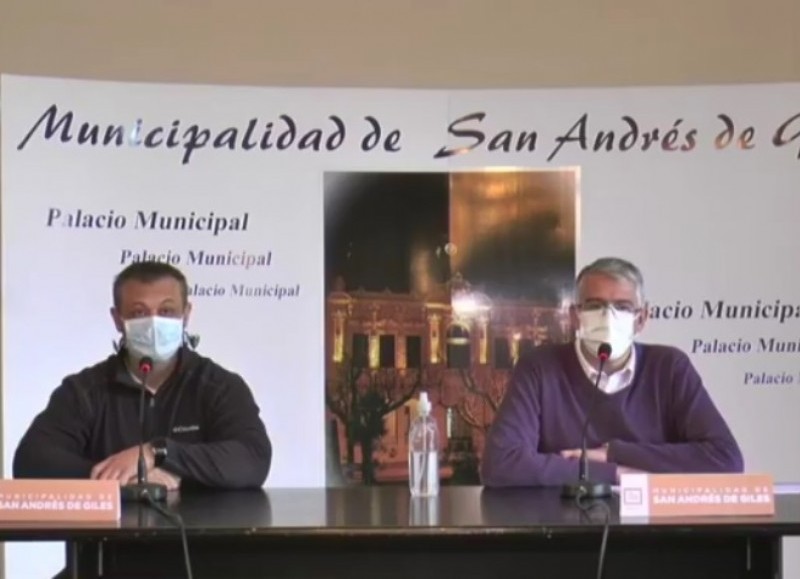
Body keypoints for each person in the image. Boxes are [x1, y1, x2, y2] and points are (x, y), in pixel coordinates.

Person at [481, 257, 743, 487]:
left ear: (642, 319)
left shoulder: (669, 367)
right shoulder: (538, 368)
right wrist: (616, 473)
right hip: (563, 530)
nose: (608, 318)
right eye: (594, 306)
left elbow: (725, 460)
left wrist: (612, 453)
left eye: (623, 307)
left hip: (654, 535)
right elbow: (501, 465)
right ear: (574, 316)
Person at [13, 261, 272, 490]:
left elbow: (253, 458)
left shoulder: (218, 386)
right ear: (117, 319)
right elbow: (31, 462)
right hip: (107, 542)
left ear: (186, 315)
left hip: (200, 542)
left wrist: (157, 453)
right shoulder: (84, 390)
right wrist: (121, 479)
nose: (154, 322)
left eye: (167, 311)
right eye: (139, 312)